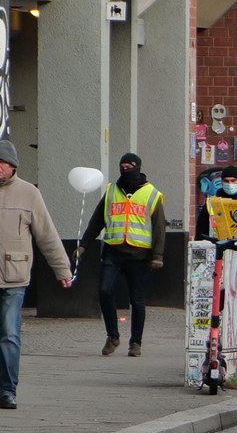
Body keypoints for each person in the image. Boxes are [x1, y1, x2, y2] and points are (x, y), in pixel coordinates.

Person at [0, 145, 75, 410]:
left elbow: (47, 235)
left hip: (14, 277)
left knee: (9, 334)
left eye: (3, 163)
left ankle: (7, 391)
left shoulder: (29, 194)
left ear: (13, 166)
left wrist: (62, 270)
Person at [87, 152, 166, 357]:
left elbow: (159, 228)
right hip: (113, 251)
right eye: (123, 165)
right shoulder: (112, 191)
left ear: (138, 167)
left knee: (137, 300)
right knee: (104, 291)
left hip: (139, 255)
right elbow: (97, 220)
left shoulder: (152, 194)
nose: (126, 169)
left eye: (130, 165)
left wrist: (157, 255)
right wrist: (84, 244)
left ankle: (136, 342)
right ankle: (112, 335)